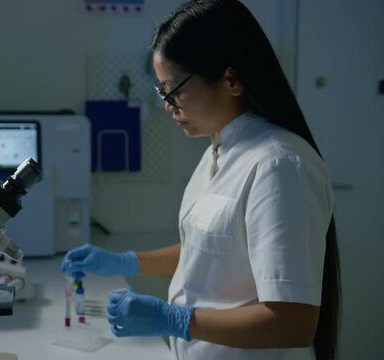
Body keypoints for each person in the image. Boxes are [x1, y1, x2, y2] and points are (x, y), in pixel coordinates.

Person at [62, 0, 341, 359]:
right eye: (161, 92)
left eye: (174, 90)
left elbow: (293, 322)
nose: (168, 106)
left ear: (232, 79)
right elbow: (212, 249)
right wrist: (125, 261)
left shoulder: (279, 166)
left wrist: (174, 319)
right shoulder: (219, 149)